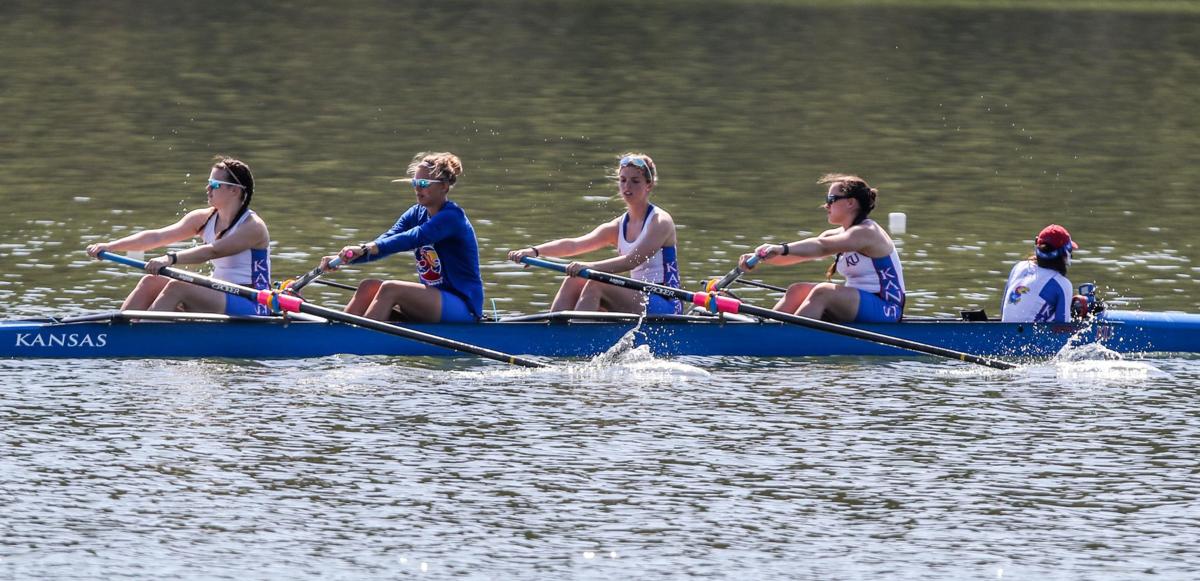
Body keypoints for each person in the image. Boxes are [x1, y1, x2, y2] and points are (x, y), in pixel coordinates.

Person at [85, 157, 271, 315]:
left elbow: (213, 251)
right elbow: (157, 237)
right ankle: (120, 333)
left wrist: (170, 258)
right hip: (219, 293)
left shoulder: (252, 227)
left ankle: (141, 336)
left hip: (253, 301)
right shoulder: (204, 218)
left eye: (214, 184)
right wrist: (110, 246)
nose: (208, 188)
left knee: (177, 286)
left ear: (235, 190)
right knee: (151, 281)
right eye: (208, 183)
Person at [507, 152, 681, 315]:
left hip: (666, 302)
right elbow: (574, 245)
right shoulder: (618, 226)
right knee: (574, 279)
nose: (627, 187)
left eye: (635, 181)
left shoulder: (660, 221)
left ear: (648, 185)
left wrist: (589, 267)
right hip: (638, 295)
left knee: (595, 283)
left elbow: (631, 261)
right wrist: (535, 251)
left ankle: (575, 338)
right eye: (622, 180)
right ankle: (553, 334)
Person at [320, 152, 482, 323]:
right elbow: (387, 240)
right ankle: (338, 337)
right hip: (433, 302)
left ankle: (360, 342)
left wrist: (366, 248)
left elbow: (413, 237)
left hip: (463, 307)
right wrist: (345, 258)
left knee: (391, 289)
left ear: (444, 186)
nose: (417, 188)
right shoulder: (415, 213)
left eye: (423, 183)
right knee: (368, 287)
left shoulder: (452, 217)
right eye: (414, 183)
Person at [738, 174, 905, 323]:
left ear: (850, 202)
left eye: (831, 199)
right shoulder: (837, 234)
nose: (826, 205)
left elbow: (821, 247)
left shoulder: (867, 232)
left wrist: (780, 248)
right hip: (860, 303)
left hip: (887, 309)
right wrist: (758, 257)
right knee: (797, 290)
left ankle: (788, 338)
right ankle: (769, 329)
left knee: (823, 291)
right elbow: (792, 257)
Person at [1001, 224, 1077, 323]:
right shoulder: (1062, 284)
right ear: (1065, 255)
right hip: (1028, 337)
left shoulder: (1018, 267)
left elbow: (1003, 310)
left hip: (1003, 331)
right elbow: (1063, 331)